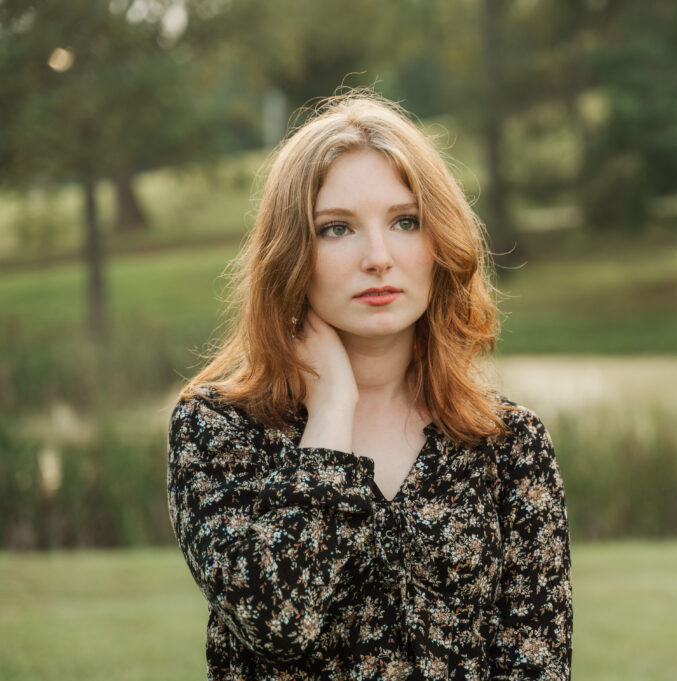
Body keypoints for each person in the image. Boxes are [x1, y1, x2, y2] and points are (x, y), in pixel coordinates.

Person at [166, 92, 572, 680]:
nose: (378, 257)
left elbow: (538, 665)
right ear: (291, 255)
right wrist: (332, 410)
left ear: (440, 244)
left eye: (405, 222)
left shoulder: (508, 445)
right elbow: (277, 623)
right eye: (337, 229)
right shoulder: (218, 431)